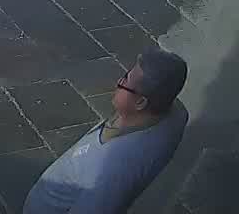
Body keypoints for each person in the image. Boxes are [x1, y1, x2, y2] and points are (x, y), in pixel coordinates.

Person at [24, 47, 189, 214]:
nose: (119, 81)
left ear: (140, 103)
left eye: (126, 80)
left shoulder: (112, 170)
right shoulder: (176, 113)